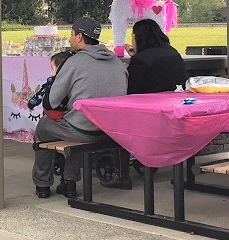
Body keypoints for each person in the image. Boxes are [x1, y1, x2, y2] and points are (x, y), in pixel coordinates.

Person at [33, 16, 127, 199]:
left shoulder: (74, 62)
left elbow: (51, 102)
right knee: (77, 120)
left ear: (79, 37)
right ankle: (69, 182)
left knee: (45, 127)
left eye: (71, 34)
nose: (69, 40)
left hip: (85, 131)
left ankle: (43, 184)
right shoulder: (117, 62)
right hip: (110, 130)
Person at [126, 18, 188, 94]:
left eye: (132, 36)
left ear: (138, 37)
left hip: (150, 99)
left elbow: (132, 88)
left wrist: (128, 69)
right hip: (178, 96)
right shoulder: (172, 51)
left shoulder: (141, 59)